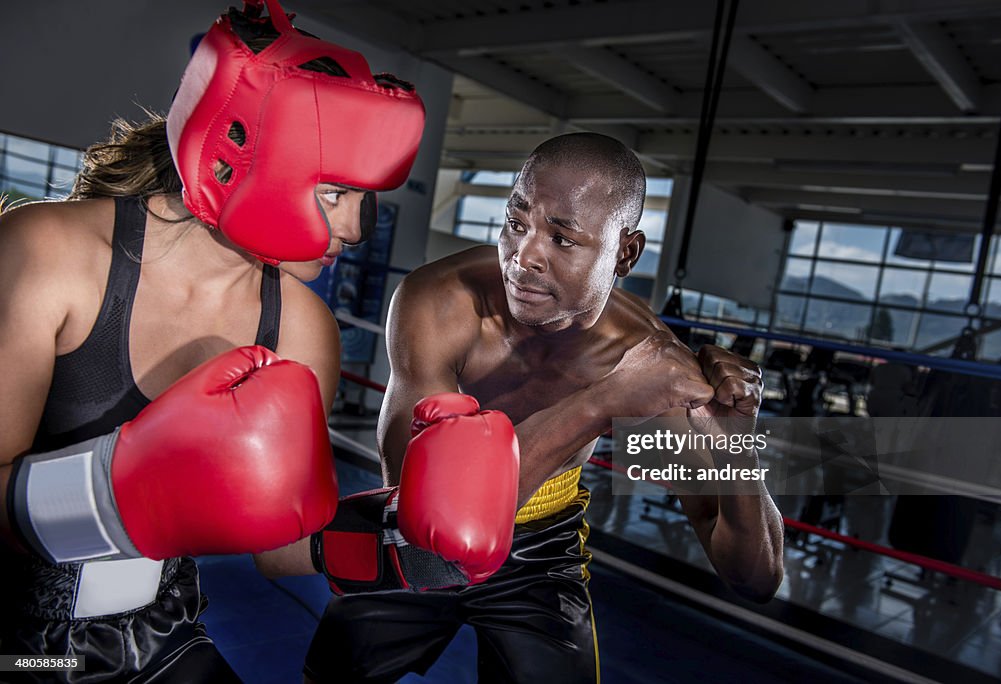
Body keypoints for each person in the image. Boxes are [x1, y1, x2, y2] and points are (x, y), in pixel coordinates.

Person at [0, 0, 430, 680]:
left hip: (160, 634)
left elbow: (280, 546)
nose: (354, 228)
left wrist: (400, 537)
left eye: (364, 197)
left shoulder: (297, 325)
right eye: (334, 194)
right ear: (247, 160)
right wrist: (120, 494)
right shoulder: (52, 253)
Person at [300, 132, 786, 683]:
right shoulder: (442, 300)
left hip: (540, 553)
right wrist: (600, 403)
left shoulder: (649, 363)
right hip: (410, 540)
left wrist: (735, 445)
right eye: (516, 223)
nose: (525, 257)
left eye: (563, 238)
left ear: (625, 252)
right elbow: (422, 517)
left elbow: (756, 577)